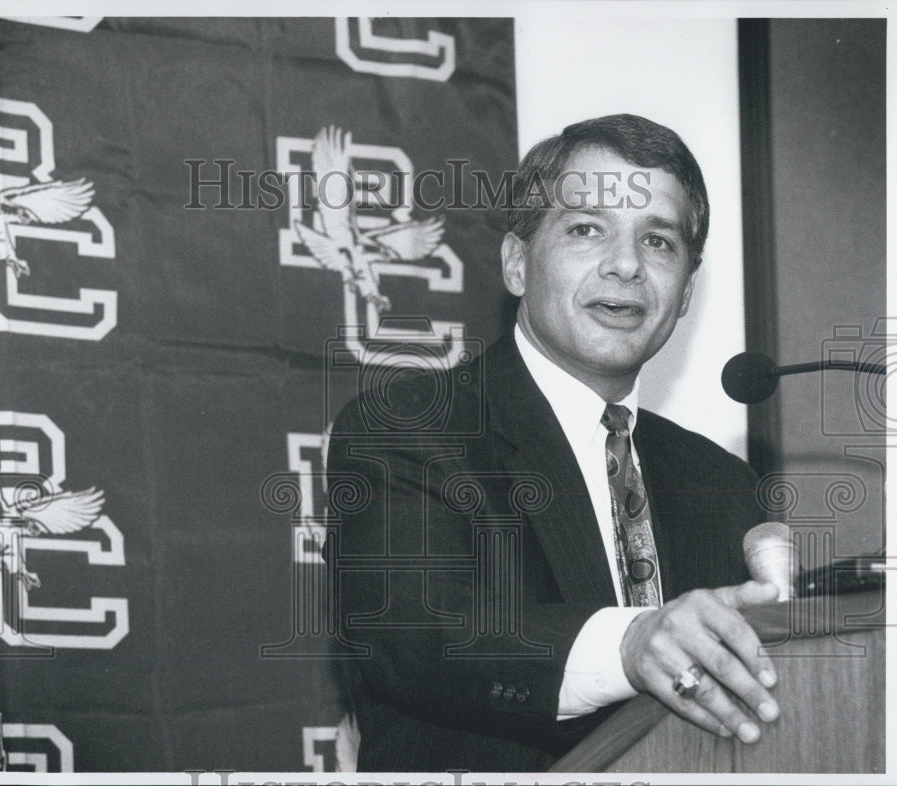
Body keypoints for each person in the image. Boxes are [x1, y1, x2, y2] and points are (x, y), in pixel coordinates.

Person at [326, 114, 781, 772]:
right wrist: (631, 645)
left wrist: (797, 614)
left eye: (658, 242)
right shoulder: (408, 428)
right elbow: (415, 638)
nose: (626, 265)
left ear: (685, 290)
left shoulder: (726, 485)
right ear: (517, 263)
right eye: (587, 229)